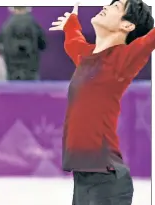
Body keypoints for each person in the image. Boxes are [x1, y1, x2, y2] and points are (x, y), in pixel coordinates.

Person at [49, 1, 153, 204]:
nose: (107, 6)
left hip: (107, 182)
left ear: (127, 25)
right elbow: (73, 41)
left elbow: (150, 40)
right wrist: (71, 23)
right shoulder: (86, 56)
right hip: (83, 181)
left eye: (117, 6)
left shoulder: (123, 59)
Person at [0, 6, 46, 80]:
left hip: (12, 69)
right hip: (31, 68)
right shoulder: (34, 25)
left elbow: (3, 46)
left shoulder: (7, 26)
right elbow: (43, 45)